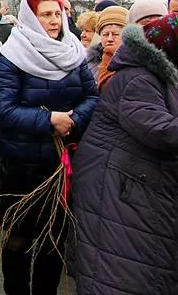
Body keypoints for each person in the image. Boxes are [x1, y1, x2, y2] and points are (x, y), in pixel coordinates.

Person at [0, 0, 98, 295]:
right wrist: (49, 120)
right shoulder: (12, 56)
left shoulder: (74, 51)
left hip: (60, 167)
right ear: (31, 18)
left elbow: (92, 96)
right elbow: (3, 109)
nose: (53, 21)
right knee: (18, 243)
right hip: (21, 169)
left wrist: (73, 120)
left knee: (53, 242)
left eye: (57, 13)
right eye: (45, 15)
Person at [71, 15, 178, 295]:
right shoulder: (138, 79)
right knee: (120, 275)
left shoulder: (156, 76)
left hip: (131, 186)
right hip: (120, 191)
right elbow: (160, 131)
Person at [94, 5, 128, 90]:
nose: (109, 39)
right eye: (105, 34)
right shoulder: (90, 60)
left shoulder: (135, 62)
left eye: (116, 34)